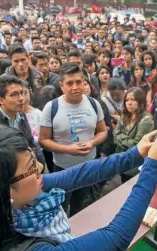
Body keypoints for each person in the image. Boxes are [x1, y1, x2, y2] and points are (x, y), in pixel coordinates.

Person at [0, 124, 157, 250]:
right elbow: (115, 238)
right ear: (1, 189)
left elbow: (77, 175)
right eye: (30, 166)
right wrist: (153, 167)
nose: (40, 166)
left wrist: (135, 155)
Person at [39, 63, 107, 216]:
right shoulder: (52, 107)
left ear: (84, 82)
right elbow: (43, 140)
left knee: (81, 207)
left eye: (78, 82)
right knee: (59, 209)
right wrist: (67, 149)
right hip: (63, 170)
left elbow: (102, 131)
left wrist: (92, 142)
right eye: (70, 83)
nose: (75, 87)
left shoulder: (94, 104)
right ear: (61, 85)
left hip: (88, 167)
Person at [0, 75, 45, 165]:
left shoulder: (20, 114)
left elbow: (31, 143)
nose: (22, 98)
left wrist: (39, 165)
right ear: (0, 100)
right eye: (14, 95)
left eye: (22, 93)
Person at [114, 87, 154, 183]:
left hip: (135, 163)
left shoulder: (146, 119)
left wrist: (120, 138)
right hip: (121, 158)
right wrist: (122, 139)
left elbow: (137, 144)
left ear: (140, 101)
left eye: (133, 100)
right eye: (127, 100)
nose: (129, 103)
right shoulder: (124, 115)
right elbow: (115, 134)